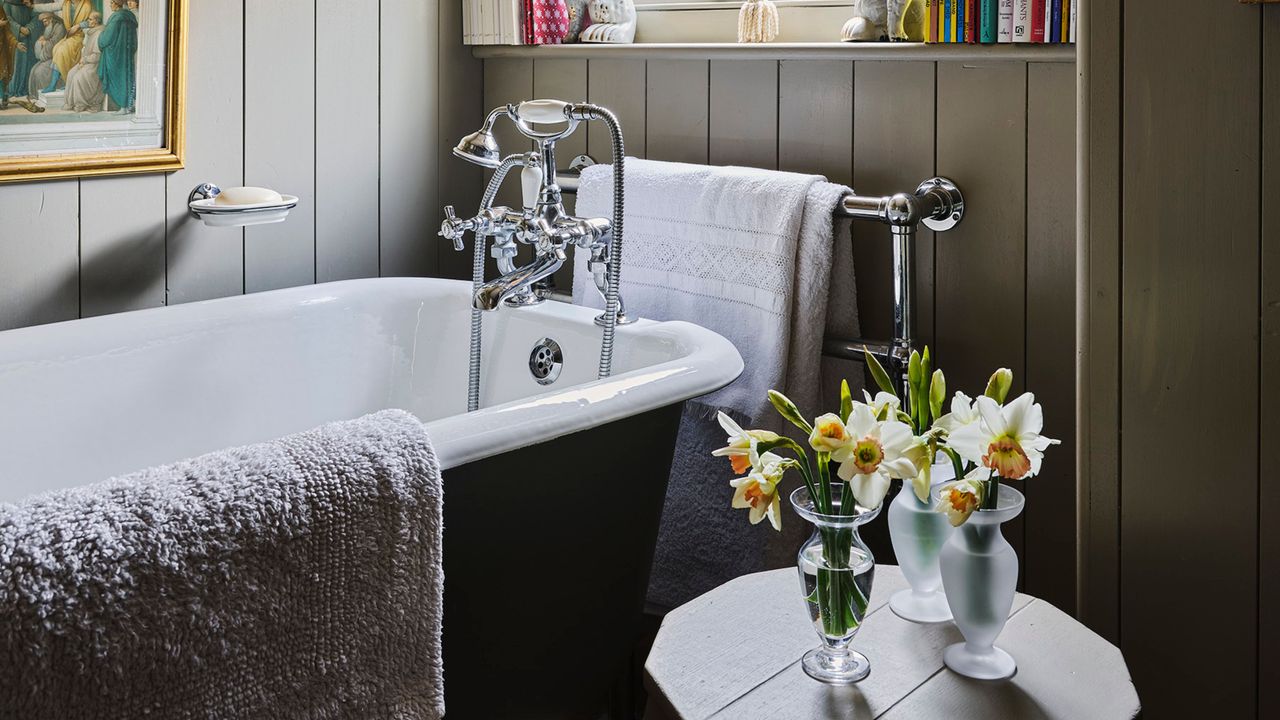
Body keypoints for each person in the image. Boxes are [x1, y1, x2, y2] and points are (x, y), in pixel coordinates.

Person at [30, 0, 91, 94]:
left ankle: (53, 85)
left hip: (80, 37)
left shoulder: (86, 5)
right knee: (57, 48)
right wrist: (33, 6)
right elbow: (49, 7)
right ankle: (60, 83)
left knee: (61, 50)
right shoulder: (66, 4)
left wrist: (79, 25)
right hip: (69, 36)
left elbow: (93, 20)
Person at [97, 0, 132, 112]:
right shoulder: (129, 16)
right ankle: (127, 105)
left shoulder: (116, 18)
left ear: (117, 4)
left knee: (117, 79)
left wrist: (100, 37)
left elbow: (106, 38)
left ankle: (122, 105)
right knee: (125, 77)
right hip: (125, 53)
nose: (110, 4)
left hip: (114, 54)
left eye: (112, 2)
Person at [62, 9, 99, 111]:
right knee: (70, 73)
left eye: (90, 19)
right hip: (86, 62)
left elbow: (97, 56)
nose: (88, 21)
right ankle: (70, 102)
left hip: (94, 65)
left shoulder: (99, 33)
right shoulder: (91, 32)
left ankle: (80, 104)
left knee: (78, 77)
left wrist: (85, 60)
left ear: (96, 21)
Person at [4, 1, 41, 98]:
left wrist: (28, 29)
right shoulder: (7, 3)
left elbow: (35, 17)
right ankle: (12, 91)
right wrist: (19, 28)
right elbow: (7, 19)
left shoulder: (27, 2)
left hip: (28, 38)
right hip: (14, 38)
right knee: (16, 64)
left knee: (27, 63)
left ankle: (24, 89)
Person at [25, 10, 63, 101]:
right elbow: (48, 38)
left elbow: (55, 43)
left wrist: (44, 43)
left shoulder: (60, 27)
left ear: (51, 19)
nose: (44, 23)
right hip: (48, 56)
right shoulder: (49, 28)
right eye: (43, 22)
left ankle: (42, 94)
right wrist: (42, 39)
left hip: (56, 56)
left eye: (45, 21)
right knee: (34, 70)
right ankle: (35, 96)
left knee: (39, 72)